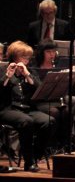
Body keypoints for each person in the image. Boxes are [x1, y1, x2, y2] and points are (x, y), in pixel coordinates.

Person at [0, 41, 56, 170]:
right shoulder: (3, 70)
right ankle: (29, 161)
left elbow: (40, 90)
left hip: (27, 109)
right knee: (26, 121)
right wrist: (7, 77)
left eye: (28, 57)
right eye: (23, 56)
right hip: (8, 109)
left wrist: (27, 75)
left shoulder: (29, 71)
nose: (27, 59)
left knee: (49, 121)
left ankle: (34, 156)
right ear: (14, 57)